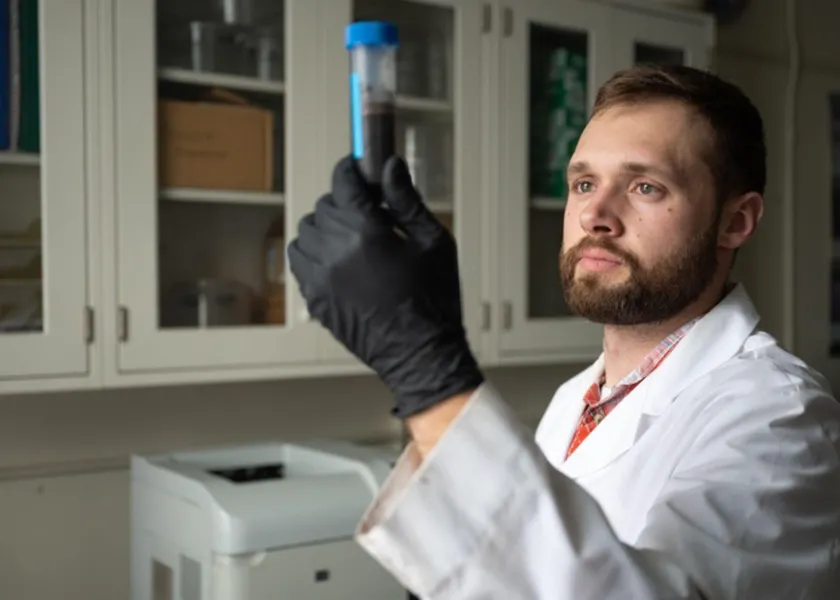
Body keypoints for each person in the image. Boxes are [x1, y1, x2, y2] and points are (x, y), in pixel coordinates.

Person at [287, 64, 840, 599]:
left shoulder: (780, 419)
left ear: (735, 221)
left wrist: (426, 371)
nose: (596, 214)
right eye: (582, 183)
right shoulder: (574, 402)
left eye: (645, 186)